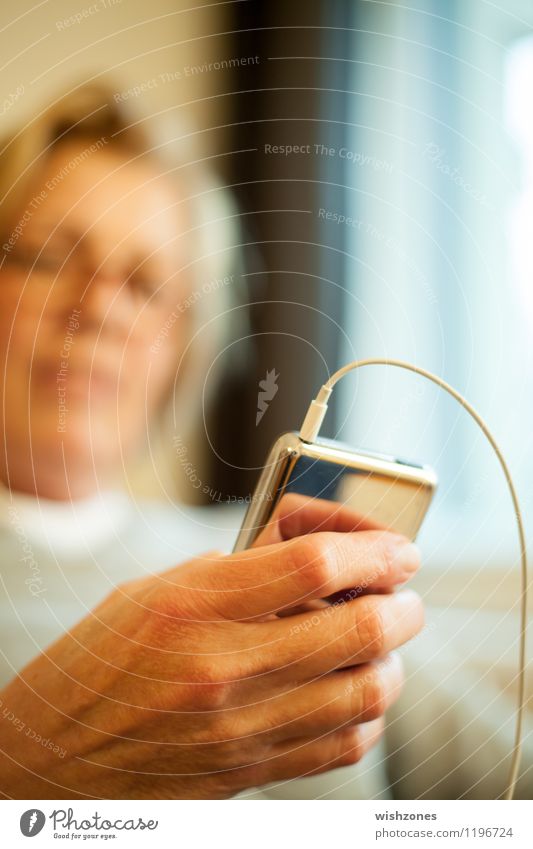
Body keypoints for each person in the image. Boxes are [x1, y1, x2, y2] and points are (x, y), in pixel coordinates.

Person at [0, 81, 424, 799]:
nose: (99, 305)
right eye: (48, 257)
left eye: (144, 283)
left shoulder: (271, 561)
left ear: (181, 349)